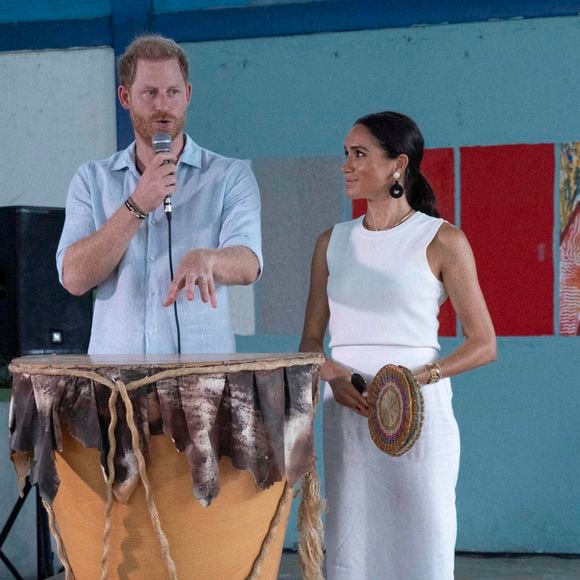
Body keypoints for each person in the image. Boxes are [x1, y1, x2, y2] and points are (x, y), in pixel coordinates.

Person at [299, 111, 496, 579]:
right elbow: (309, 340)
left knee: (423, 549)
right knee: (353, 551)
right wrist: (330, 372)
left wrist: (415, 380)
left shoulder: (442, 239)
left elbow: (484, 343)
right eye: (345, 154)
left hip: (419, 417)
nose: (346, 164)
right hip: (347, 417)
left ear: (397, 165)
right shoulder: (331, 243)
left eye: (360, 154)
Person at [57, 34, 262, 354]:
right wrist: (137, 204)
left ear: (188, 94)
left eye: (173, 92)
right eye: (150, 93)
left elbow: (249, 263)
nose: (163, 105)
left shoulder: (229, 176)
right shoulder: (92, 180)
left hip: (201, 380)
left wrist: (208, 258)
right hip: (118, 385)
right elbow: (74, 278)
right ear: (125, 97)